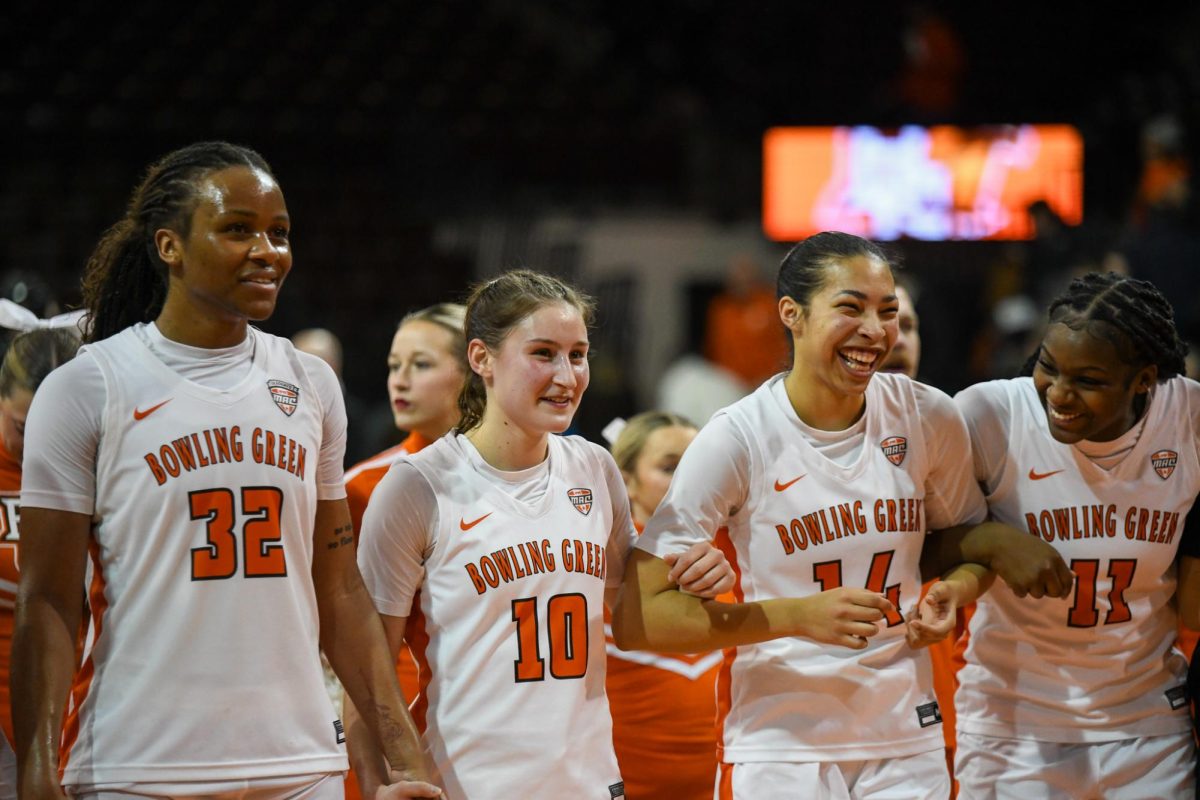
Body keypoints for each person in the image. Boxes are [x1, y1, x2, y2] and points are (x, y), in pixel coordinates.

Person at [11, 141, 439, 800]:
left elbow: (340, 587)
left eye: (280, 232)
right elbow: (48, 604)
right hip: (138, 762)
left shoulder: (309, 383)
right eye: (238, 229)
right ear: (169, 246)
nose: (269, 251)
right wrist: (37, 772)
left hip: (299, 761)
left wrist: (402, 753)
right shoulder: (87, 388)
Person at [613, 231, 1071, 799]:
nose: (875, 332)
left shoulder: (928, 415)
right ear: (792, 314)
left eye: (887, 312)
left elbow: (964, 541)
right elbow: (638, 619)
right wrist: (798, 615)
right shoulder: (736, 437)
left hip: (905, 733)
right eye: (850, 308)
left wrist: (957, 589)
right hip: (779, 741)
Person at [352, 269, 733, 799]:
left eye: (578, 355)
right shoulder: (415, 487)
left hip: (590, 782)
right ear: (481, 359)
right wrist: (380, 783)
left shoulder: (595, 468)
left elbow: (633, 622)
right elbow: (366, 667)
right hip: (467, 784)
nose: (567, 375)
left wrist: (689, 580)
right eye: (543, 353)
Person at [953, 271, 1200, 798]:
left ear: (1143, 380)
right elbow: (917, 538)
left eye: (1087, 380)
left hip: (1147, 728)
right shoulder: (989, 415)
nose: (1059, 394)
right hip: (1012, 724)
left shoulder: (1188, 418)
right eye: (1048, 366)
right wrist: (991, 541)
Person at [342, 303, 466, 797]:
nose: (400, 380)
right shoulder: (365, 487)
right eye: (394, 365)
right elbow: (347, 638)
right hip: (399, 727)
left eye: (421, 364)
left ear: (475, 368)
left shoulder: (532, 480)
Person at [605, 411, 720, 799]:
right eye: (670, 467)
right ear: (626, 481)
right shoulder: (599, 570)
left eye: (698, 466)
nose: (689, 481)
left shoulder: (738, 556)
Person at [0, 328, 82, 800]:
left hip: (81, 706)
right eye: (24, 427)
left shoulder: (97, 459)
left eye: (57, 428)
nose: (40, 444)